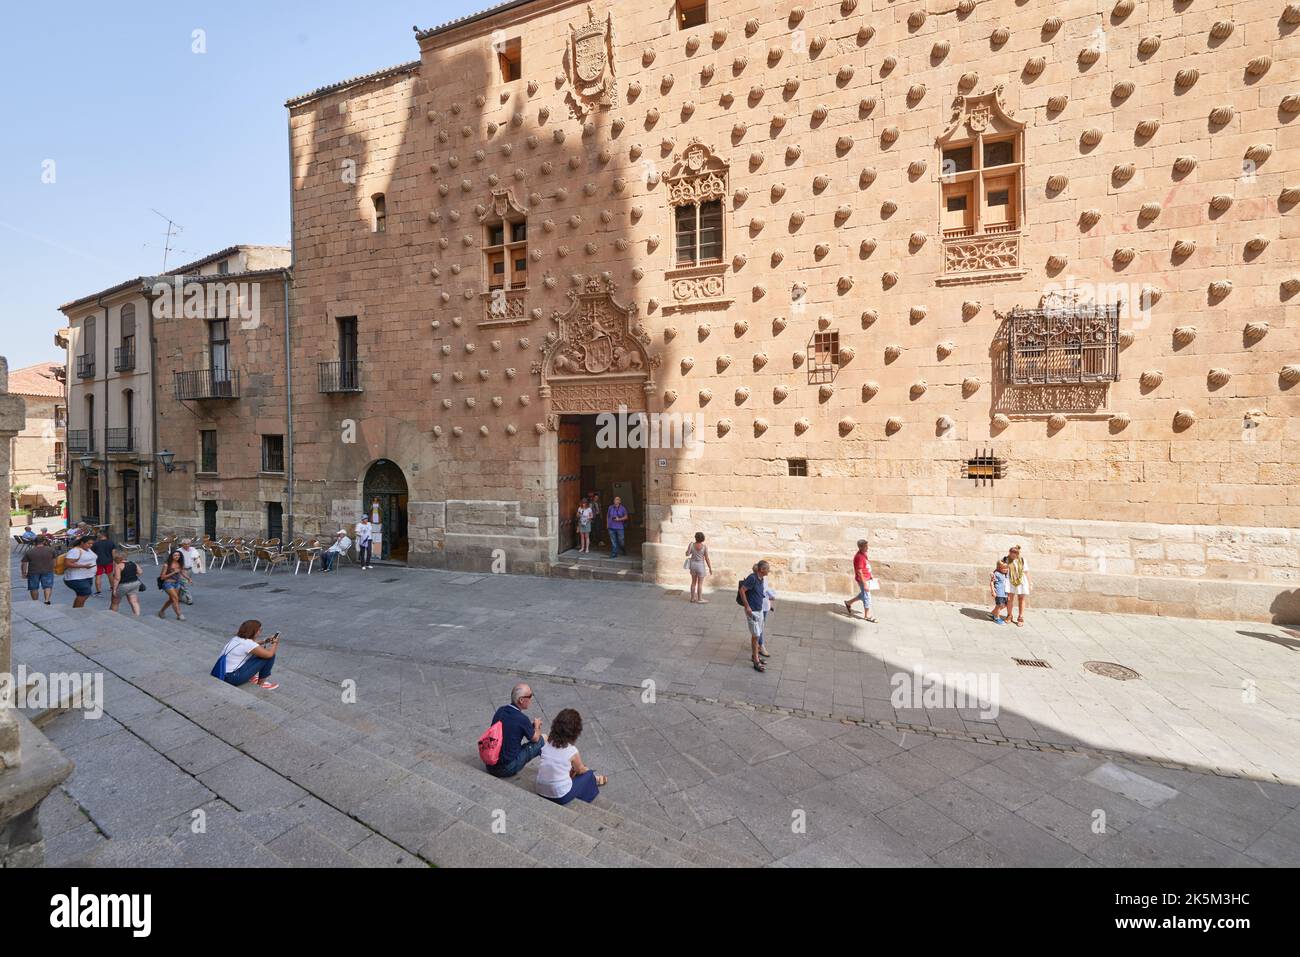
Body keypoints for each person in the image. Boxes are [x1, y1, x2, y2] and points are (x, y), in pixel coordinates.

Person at [535, 708, 606, 805]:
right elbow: (581, 770)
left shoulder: (547, 744)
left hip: (540, 789)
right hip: (559, 796)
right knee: (588, 775)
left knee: (571, 769)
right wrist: (587, 770)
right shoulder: (572, 751)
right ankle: (593, 783)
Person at [485, 682, 544, 778]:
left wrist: (529, 726)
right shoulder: (522, 718)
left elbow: (511, 727)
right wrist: (537, 725)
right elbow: (536, 739)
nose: (531, 699)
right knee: (543, 739)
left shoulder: (501, 710)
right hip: (506, 768)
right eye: (530, 696)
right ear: (521, 700)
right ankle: (549, 774)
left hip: (490, 765)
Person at [216, 619, 280, 690]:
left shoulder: (236, 638)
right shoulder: (249, 644)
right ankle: (261, 684)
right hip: (233, 678)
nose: (260, 632)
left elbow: (252, 646)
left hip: (220, 672)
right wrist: (275, 643)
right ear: (254, 632)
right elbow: (269, 654)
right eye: (260, 630)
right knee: (269, 657)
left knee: (257, 653)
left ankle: (249, 675)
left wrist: (265, 641)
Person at [739, 560, 770, 672]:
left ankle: (754, 655)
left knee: (757, 633)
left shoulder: (761, 579)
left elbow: (759, 593)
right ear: (762, 570)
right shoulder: (752, 578)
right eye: (768, 568)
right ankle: (756, 660)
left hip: (760, 610)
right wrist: (747, 607)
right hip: (752, 611)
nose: (769, 570)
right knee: (756, 635)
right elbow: (742, 590)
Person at [844, 538, 878, 622]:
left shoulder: (863, 554)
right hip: (863, 580)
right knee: (867, 597)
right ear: (861, 547)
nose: (867, 547)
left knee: (863, 595)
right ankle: (867, 616)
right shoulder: (859, 557)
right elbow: (859, 571)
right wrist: (865, 584)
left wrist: (871, 575)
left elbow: (865, 566)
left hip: (867, 577)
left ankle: (848, 603)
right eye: (866, 546)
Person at [62, 535, 98, 608]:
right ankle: (76, 610)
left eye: (92, 544)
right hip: (76, 578)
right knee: (85, 593)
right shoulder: (75, 551)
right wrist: (84, 566)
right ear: (82, 543)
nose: (90, 545)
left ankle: (79, 608)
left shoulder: (87, 549)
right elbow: (67, 563)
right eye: (88, 543)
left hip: (86, 577)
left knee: (82, 594)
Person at [21, 534, 56, 604]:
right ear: (43, 541)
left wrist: (24, 573)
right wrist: (53, 567)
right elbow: (54, 560)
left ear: (34, 542)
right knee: (47, 586)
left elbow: (24, 563)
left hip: (33, 571)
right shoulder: (51, 550)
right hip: (48, 570)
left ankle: (35, 602)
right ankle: (47, 600)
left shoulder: (30, 551)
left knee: (34, 587)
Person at [157, 550, 189, 620]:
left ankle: (161, 611)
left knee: (172, 599)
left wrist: (188, 578)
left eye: (178, 555)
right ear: (171, 556)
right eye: (175, 555)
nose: (177, 556)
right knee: (176, 598)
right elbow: (162, 577)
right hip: (168, 584)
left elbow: (182, 572)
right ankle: (179, 615)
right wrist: (174, 572)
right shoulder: (166, 565)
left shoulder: (180, 563)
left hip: (177, 583)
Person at [109, 549, 143, 616]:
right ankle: (137, 616)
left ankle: (112, 616)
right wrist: (131, 575)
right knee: (134, 601)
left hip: (123, 585)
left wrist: (114, 589)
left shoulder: (118, 566)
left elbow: (117, 578)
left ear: (117, 558)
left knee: (115, 602)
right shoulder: (133, 563)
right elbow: (140, 572)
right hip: (135, 583)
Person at [1007, 545, 1030, 627]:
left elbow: (1026, 572)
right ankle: (1009, 615)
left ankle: (1020, 617)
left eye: (1014, 553)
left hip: (1021, 581)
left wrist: (1030, 583)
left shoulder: (1023, 560)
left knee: (1021, 599)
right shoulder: (1006, 560)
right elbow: (1000, 568)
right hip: (1010, 581)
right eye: (1011, 553)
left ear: (1017, 554)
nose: (1012, 555)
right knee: (1010, 599)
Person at [685, 532, 712, 603]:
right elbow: (707, 558)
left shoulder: (691, 545)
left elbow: (687, 554)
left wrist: (688, 549)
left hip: (693, 565)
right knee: (700, 584)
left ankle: (692, 598)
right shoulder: (704, 547)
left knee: (693, 582)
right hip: (700, 566)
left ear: (695, 537)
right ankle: (699, 599)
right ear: (703, 538)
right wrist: (710, 568)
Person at [91, 529, 118, 596]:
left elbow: (92, 554)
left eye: (98, 533)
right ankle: (113, 588)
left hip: (98, 562)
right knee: (110, 576)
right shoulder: (111, 542)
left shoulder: (95, 543)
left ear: (101, 535)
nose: (97, 535)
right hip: (109, 561)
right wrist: (115, 562)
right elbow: (113, 554)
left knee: (98, 576)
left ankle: (98, 592)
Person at [178, 539, 204, 605]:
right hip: (182, 570)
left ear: (190, 544)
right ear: (182, 544)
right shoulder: (179, 551)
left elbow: (197, 559)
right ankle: (189, 599)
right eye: (185, 544)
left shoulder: (193, 550)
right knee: (183, 584)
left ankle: (179, 597)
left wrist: (199, 568)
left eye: (188, 544)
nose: (186, 545)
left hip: (190, 570)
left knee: (183, 584)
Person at [989, 559, 1011, 625]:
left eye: (1006, 568)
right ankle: (997, 618)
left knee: (1005, 605)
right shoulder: (996, 574)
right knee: (999, 605)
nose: (1005, 570)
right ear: (999, 568)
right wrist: (993, 591)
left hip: (1005, 593)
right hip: (999, 593)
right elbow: (992, 582)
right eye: (1003, 568)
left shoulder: (1006, 573)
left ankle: (993, 613)